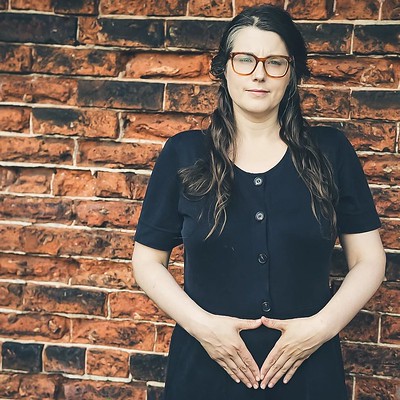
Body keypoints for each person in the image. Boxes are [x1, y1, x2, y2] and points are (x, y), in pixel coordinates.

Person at [131, 5, 386, 400]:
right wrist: (204, 328)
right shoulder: (184, 154)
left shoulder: (331, 152)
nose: (259, 73)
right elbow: (147, 261)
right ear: (225, 68)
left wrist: (320, 328)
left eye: (275, 62)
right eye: (245, 59)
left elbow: (370, 260)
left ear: (293, 73)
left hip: (307, 374)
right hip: (204, 371)